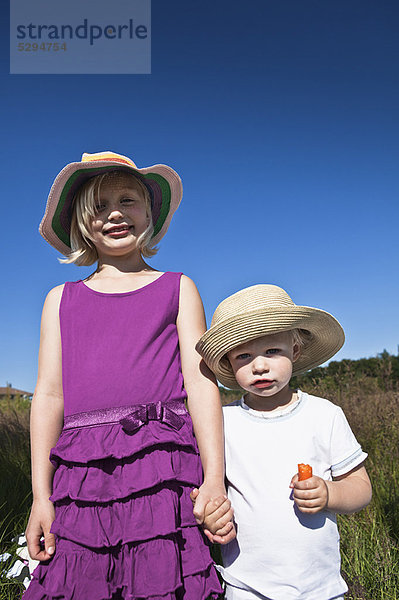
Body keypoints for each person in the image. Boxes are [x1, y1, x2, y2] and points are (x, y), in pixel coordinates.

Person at [23, 151, 225, 599]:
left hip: (163, 468)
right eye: (98, 206)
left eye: (128, 200)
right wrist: (41, 495)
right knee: (78, 580)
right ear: (80, 223)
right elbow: (49, 395)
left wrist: (214, 476)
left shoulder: (178, 287)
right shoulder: (61, 299)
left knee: (163, 577)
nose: (114, 213)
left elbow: (200, 384)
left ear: (149, 213)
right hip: (82, 476)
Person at [194, 284, 372, 600]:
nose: (259, 366)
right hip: (247, 586)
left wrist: (330, 492)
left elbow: (361, 489)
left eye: (272, 351)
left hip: (320, 588)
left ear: (296, 351)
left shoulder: (324, 415)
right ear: (231, 366)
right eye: (244, 356)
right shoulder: (222, 423)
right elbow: (210, 489)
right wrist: (212, 516)